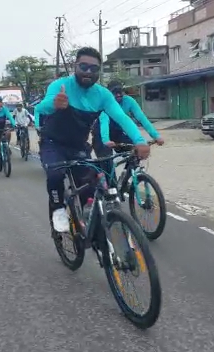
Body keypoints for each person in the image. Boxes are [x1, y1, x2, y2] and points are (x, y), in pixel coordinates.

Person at [35, 46, 150, 234]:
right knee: (55, 175)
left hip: (79, 146)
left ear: (99, 71)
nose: (88, 72)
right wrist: (54, 104)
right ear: (75, 66)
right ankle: (58, 209)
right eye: (83, 66)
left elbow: (122, 118)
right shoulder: (60, 86)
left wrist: (140, 141)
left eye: (94, 68)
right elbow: (42, 108)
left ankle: (95, 236)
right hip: (53, 144)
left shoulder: (103, 94)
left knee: (90, 185)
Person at [93, 80, 165, 172]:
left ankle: (127, 177)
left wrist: (156, 136)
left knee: (135, 152)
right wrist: (106, 140)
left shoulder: (129, 101)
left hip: (117, 132)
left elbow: (142, 118)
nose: (118, 95)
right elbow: (104, 122)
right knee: (107, 164)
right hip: (101, 134)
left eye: (120, 92)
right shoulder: (106, 103)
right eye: (115, 93)